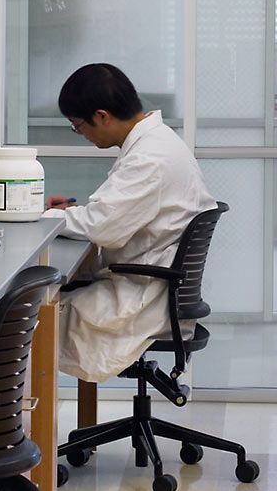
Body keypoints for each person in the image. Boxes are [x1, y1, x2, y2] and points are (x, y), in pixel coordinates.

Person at [49, 62, 217, 385]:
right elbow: (116, 213)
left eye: (78, 126)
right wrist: (73, 212)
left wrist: (46, 217)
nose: (81, 134)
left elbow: (101, 227)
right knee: (45, 306)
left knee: (27, 322)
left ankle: (17, 430)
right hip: (153, 286)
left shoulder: (149, 158)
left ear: (101, 116)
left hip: (142, 298)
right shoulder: (156, 142)